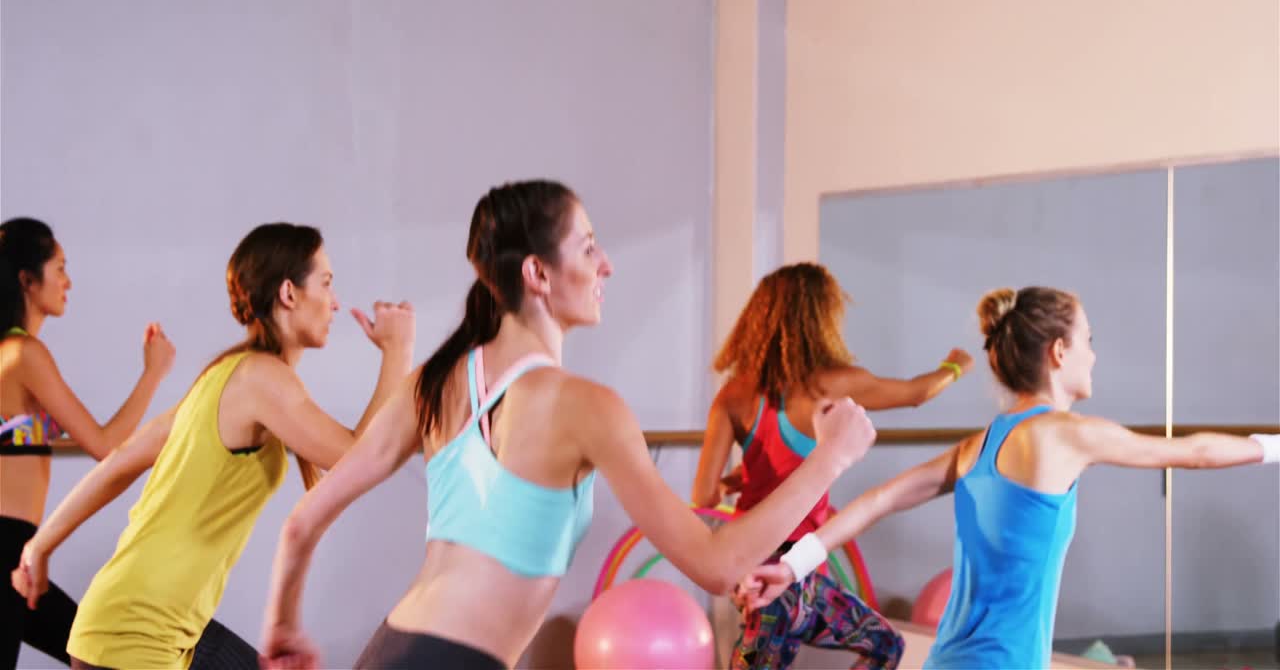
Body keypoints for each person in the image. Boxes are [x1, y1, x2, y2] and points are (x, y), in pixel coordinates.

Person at [258, 180, 878, 670]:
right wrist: (831, 458)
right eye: (587, 247)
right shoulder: (586, 405)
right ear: (537, 273)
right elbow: (717, 565)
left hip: (391, 648)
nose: (606, 264)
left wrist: (282, 627)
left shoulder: (435, 381)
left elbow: (300, 522)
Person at [736, 286, 1280, 669]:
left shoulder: (980, 446)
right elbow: (1193, 452)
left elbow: (878, 500)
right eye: (1089, 338)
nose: (1094, 353)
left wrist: (792, 563)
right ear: (1059, 351)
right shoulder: (1064, 434)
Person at [10, 222, 415, 670]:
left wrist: (39, 547)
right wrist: (397, 352)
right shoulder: (260, 378)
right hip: (137, 637)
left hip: (141, 627)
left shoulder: (220, 379)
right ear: (288, 293)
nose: (335, 301)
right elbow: (356, 460)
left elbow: (118, 464)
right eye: (326, 283)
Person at [693, 262, 974, 670]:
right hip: (789, 580)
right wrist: (955, 367)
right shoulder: (836, 384)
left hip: (772, 571)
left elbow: (703, 497)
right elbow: (916, 393)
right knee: (886, 648)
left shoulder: (733, 396)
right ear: (822, 318)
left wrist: (737, 481)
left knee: (886, 644)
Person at [0, 217, 175, 669]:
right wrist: (153, 372)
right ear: (27, 279)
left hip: (14, 547)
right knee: (94, 654)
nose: (68, 281)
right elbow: (106, 446)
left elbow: (17, 438)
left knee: (89, 652)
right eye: (59, 268)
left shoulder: (7, 355)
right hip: (6, 547)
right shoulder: (25, 355)